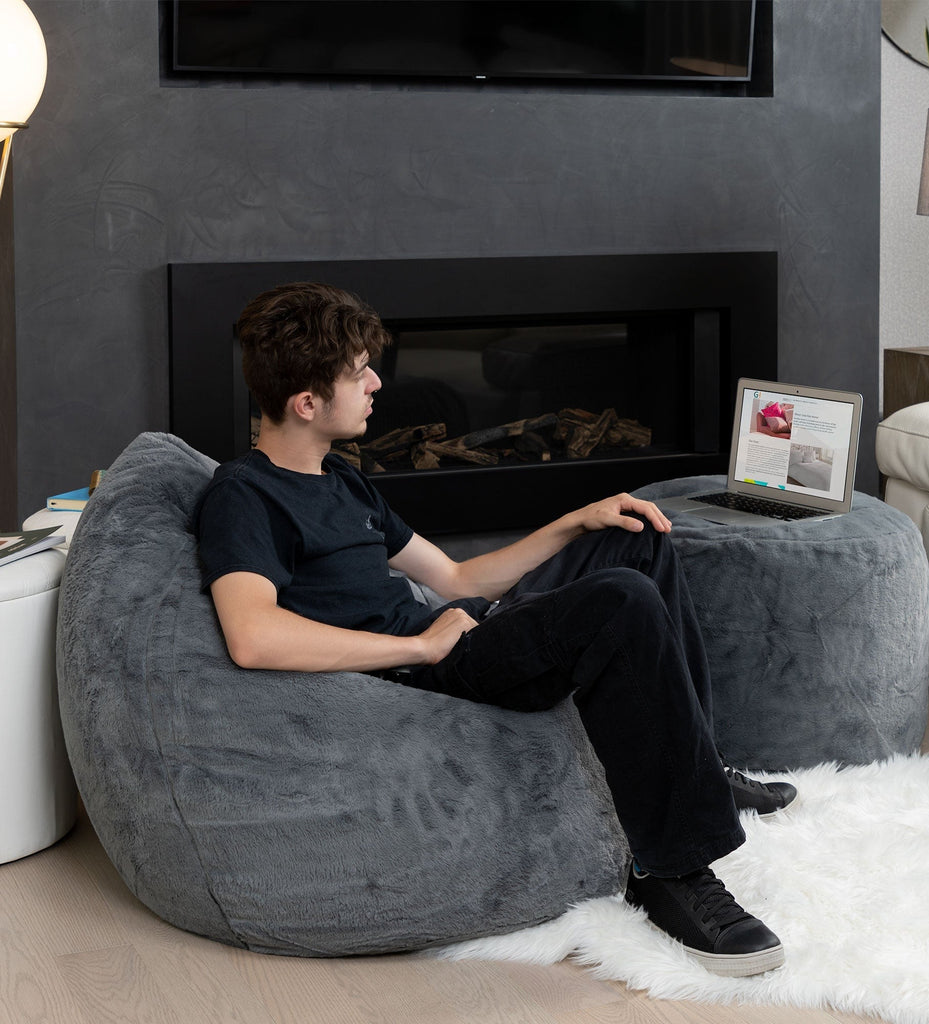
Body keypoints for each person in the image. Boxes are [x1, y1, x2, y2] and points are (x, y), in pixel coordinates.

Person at [193, 281, 797, 978]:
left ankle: (702, 772)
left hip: (458, 631)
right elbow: (252, 635)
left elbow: (457, 579)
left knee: (636, 540)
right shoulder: (244, 495)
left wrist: (578, 519)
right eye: (358, 372)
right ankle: (669, 870)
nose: (377, 382)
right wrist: (418, 645)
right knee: (620, 602)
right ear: (305, 403)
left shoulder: (342, 482)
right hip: (425, 671)